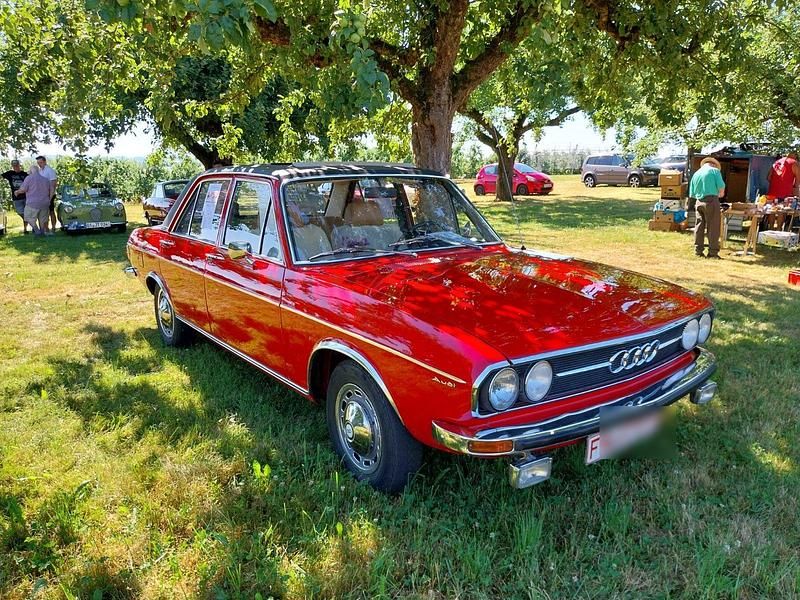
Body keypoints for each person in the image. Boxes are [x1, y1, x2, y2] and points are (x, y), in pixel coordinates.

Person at [689, 157, 725, 259]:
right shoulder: (715, 171)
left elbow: (692, 193)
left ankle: (698, 251)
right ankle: (713, 253)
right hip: (711, 200)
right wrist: (719, 195)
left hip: (698, 201)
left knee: (699, 226)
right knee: (713, 227)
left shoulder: (696, 174)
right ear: (713, 164)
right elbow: (721, 188)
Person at [766, 152, 800, 231]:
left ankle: (770, 228)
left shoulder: (777, 162)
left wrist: (776, 183)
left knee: (772, 209)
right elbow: (798, 181)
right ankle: (778, 229)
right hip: (785, 192)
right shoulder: (794, 163)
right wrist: (795, 191)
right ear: (795, 156)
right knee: (782, 210)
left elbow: (768, 177)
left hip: (772, 191)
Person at [15, 164, 51, 236]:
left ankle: (36, 230)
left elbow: (23, 189)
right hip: (45, 202)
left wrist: (17, 192)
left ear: (31, 171)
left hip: (32, 203)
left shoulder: (29, 178)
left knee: (28, 216)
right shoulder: (45, 180)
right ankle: (42, 231)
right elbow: (49, 190)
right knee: (42, 219)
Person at [2, 159, 29, 233]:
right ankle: (31, 223)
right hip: (16, 198)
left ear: (19, 165)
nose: (15, 167)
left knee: (27, 212)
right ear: (12, 166)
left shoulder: (25, 174)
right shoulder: (10, 173)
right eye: (14, 166)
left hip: (26, 196)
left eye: (17, 165)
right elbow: (1, 177)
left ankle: (26, 229)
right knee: (20, 212)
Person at [35, 155, 58, 234]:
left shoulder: (50, 171)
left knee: (51, 211)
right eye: (38, 163)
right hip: (42, 195)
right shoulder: (40, 171)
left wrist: (50, 196)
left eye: (40, 162)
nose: (39, 164)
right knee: (44, 212)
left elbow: (53, 184)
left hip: (49, 194)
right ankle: (46, 228)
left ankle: (54, 227)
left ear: (45, 162)